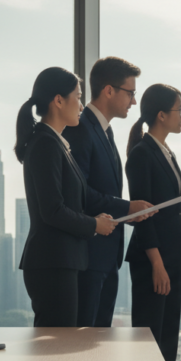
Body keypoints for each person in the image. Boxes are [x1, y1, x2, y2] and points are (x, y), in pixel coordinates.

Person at [15, 67, 118, 327]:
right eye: (78, 97)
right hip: (52, 263)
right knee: (56, 349)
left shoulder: (56, 142)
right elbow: (53, 210)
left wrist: (95, 218)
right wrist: (94, 225)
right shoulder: (46, 144)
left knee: (60, 347)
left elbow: (67, 202)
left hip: (61, 261)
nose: (82, 105)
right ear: (58, 100)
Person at [63, 57, 156, 328]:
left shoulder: (105, 131)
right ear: (109, 90)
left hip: (106, 257)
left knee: (97, 343)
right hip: (88, 256)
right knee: (82, 342)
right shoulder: (81, 129)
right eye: (130, 93)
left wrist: (128, 212)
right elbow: (79, 193)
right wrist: (127, 208)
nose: (134, 101)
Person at [125, 84, 181, 361]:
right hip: (154, 259)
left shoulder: (167, 152)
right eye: (180, 110)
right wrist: (157, 263)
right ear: (162, 115)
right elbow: (144, 214)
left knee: (168, 337)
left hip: (173, 254)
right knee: (150, 339)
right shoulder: (142, 154)